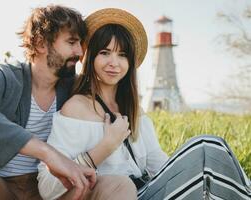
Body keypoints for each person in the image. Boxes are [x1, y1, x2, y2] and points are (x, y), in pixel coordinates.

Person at [37, 8, 251, 200]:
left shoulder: (135, 111)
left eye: (122, 55)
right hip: (116, 193)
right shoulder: (76, 108)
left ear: (130, 63)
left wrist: (184, 176)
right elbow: (47, 187)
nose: (114, 63)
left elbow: (159, 165)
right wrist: (105, 147)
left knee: (212, 147)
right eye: (104, 53)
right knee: (206, 144)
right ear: (91, 57)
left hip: (148, 191)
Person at [0, 5, 136, 200]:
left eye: (81, 43)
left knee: (118, 186)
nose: (80, 51)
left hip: (55, 192)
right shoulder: (6, 77)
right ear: (40, 43)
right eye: (72, 42)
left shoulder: (76, 88)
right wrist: (46, 153)